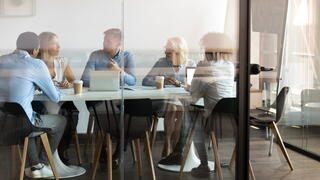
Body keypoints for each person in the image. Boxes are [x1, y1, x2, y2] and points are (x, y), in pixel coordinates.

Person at [159, 32, 235, 178]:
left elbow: (193, 96)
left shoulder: (204, 65)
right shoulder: (229, 66)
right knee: (191, 111)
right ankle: (179, 152)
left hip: (212, 121)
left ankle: (201, 163)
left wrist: (184, 95)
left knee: (190, 113)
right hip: (231, 120)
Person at [0, 32, 66, 178]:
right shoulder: (36, 63)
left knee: (24, 116)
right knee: (60, 121)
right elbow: (54, 97)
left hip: (3, 122)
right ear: (36, 49)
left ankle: (35, 165)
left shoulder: (2, 60)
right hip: (23, 124)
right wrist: (55, 87)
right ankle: (42, 163)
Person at [81, 28, 136, 168]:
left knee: (128, 115)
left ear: (119, 43)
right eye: (104, 40)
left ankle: (118, 153)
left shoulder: (128, 56)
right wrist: (107, 76)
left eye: (108, 41)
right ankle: (103, 150)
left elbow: (133, 81)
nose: (104, 43)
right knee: (104, 110)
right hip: (97, 100)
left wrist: (119, 71)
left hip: (119, 101)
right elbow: (85, 79)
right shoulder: (95, 55)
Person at [142, 36, 195, 156]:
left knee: (179, 109)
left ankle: (175, 146)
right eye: (166, 49)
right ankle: (168, 143)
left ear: (178, 50)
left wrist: (180, 84)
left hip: (183, 101)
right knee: (172, 107)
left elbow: (193, 86)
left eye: (168, 49)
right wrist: (163, 81)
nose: (165, 51)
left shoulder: (190, 64)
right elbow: (145, 81)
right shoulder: (161, 63)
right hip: (164, 101)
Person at [38, 32, 78, 164]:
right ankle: (48, 155)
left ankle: (60, 151)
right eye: (55, 43)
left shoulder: (62, 61)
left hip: (61, 100)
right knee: (60, 115)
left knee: (73, 113)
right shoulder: (35, 63)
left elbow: (74, 81)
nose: (59, 46)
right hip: (43, 102)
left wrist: (68, 84)